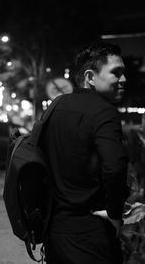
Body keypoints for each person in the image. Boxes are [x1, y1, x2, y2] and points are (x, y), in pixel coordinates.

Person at [41, 43, 130, 264]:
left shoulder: (55, 107)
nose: (123, 79)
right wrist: (115, 214)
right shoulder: (104, 112)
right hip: (91, 233)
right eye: (116, 72)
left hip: (55, 231)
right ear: (90, 77)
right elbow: (115, 166)